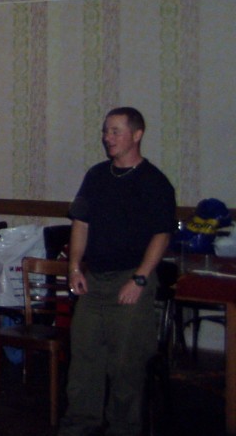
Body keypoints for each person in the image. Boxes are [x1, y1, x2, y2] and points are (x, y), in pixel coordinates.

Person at [58, 107, 176, 436]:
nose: (107, 137)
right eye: (105, 131)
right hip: (94, 280)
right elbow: (81, 223)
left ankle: (123, 429)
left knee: (126, 363)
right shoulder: (96, 176)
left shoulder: (154, 182)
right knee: (84, 358)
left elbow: (162, 234)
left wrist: (139, 279)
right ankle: (79, 425)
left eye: (115, 131)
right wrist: (74, 267)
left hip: (131, 279)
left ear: (136, 135)